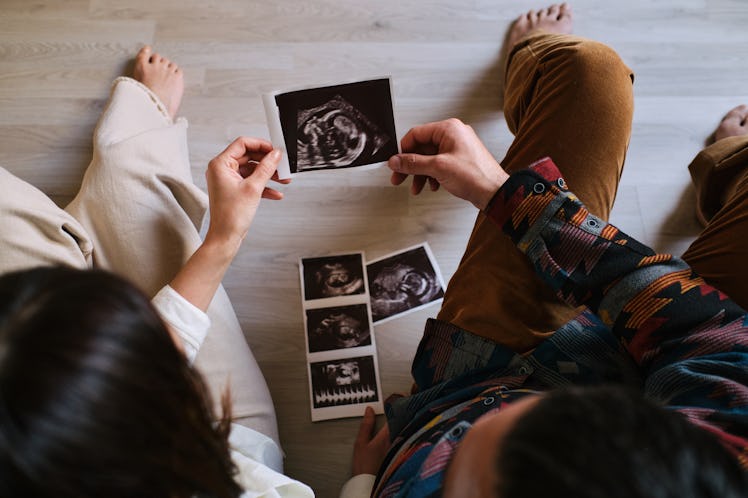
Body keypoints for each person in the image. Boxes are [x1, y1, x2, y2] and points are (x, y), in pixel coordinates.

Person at [341, 4, 748, 497]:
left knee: (586, 70)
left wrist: (364, 482)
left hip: (472, 373)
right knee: (593, 73)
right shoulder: (729, 461)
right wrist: (503, 196)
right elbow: (715, 337)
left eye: (454, 476)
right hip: (676, 360)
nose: (510, 411)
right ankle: (728, 173)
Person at [0, 47, 314, 497]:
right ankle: (142, 132)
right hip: (225, 441)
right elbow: (156, 357)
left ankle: (131, 149)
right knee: (127, 174)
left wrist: (223, 237)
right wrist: (223, 238)